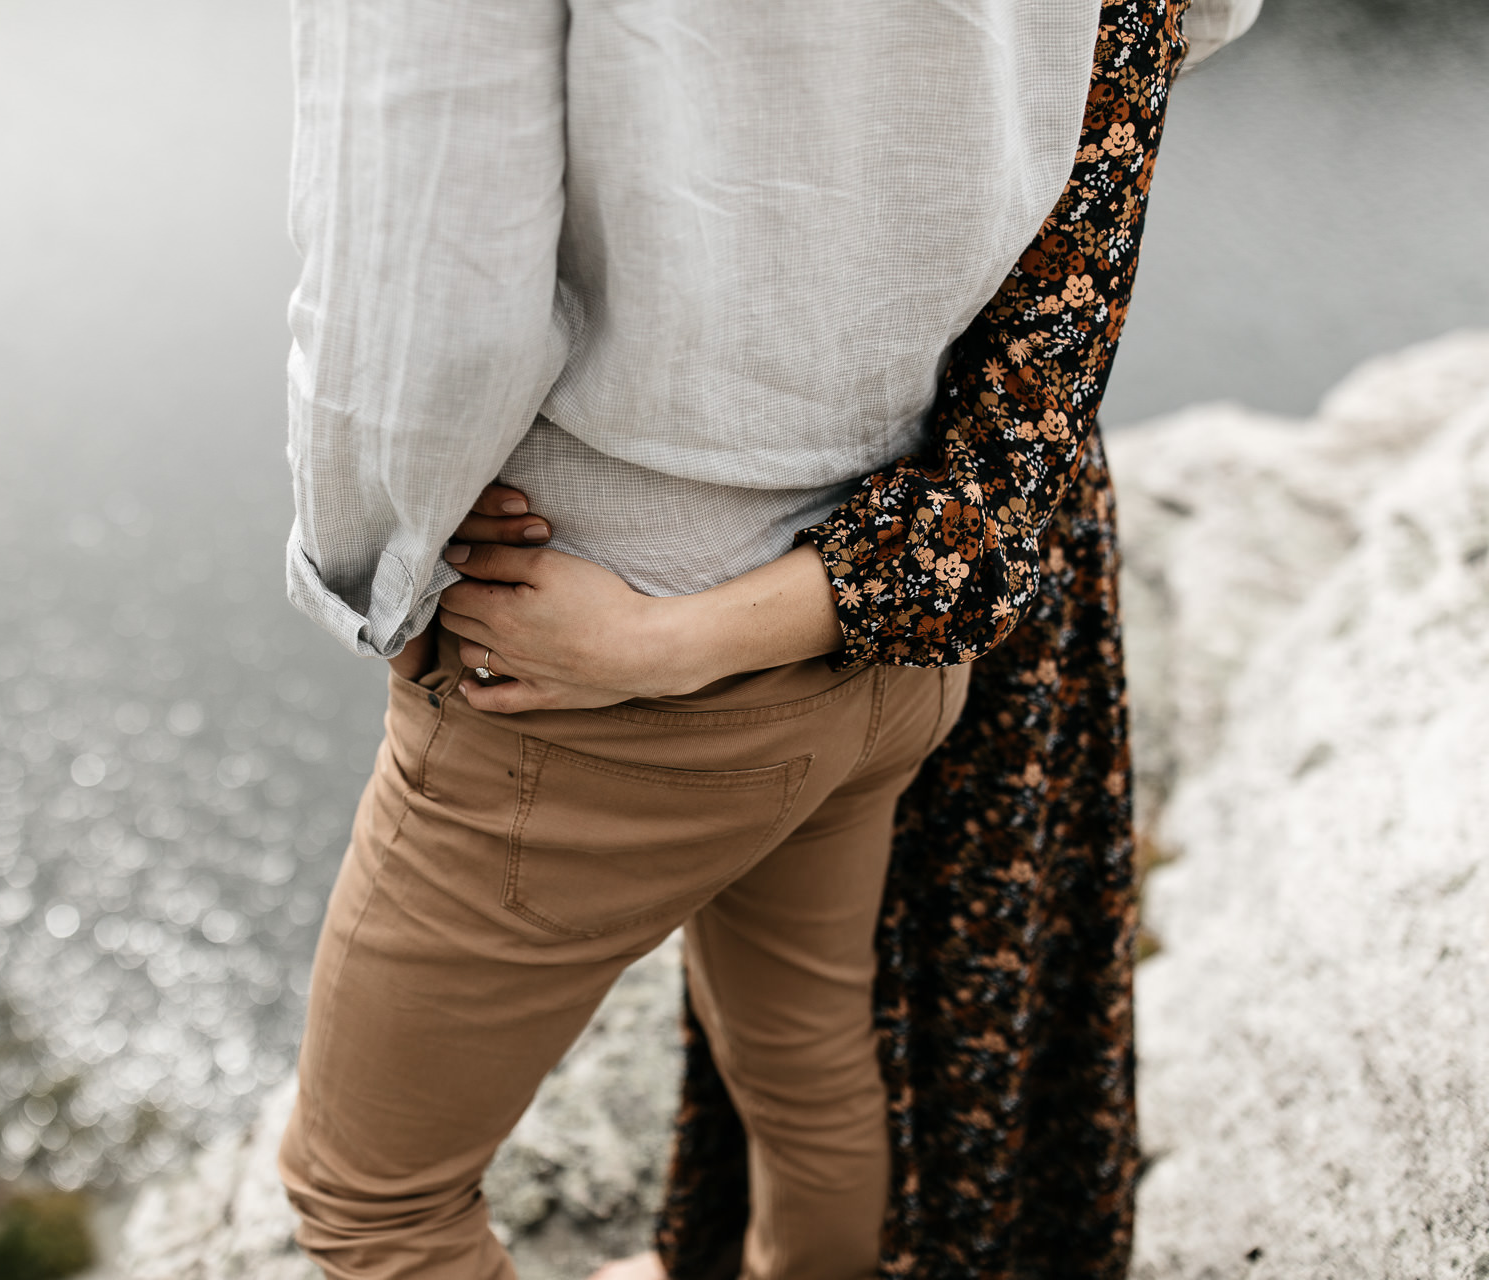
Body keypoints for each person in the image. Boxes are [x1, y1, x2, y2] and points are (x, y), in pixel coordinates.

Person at [274, 0, 1259, 1275]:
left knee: (373, 1204)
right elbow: (1046, 345)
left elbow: (420, 281)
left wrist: (386, 568)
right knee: (803, 1073)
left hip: (583, 661)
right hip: (882, 656)